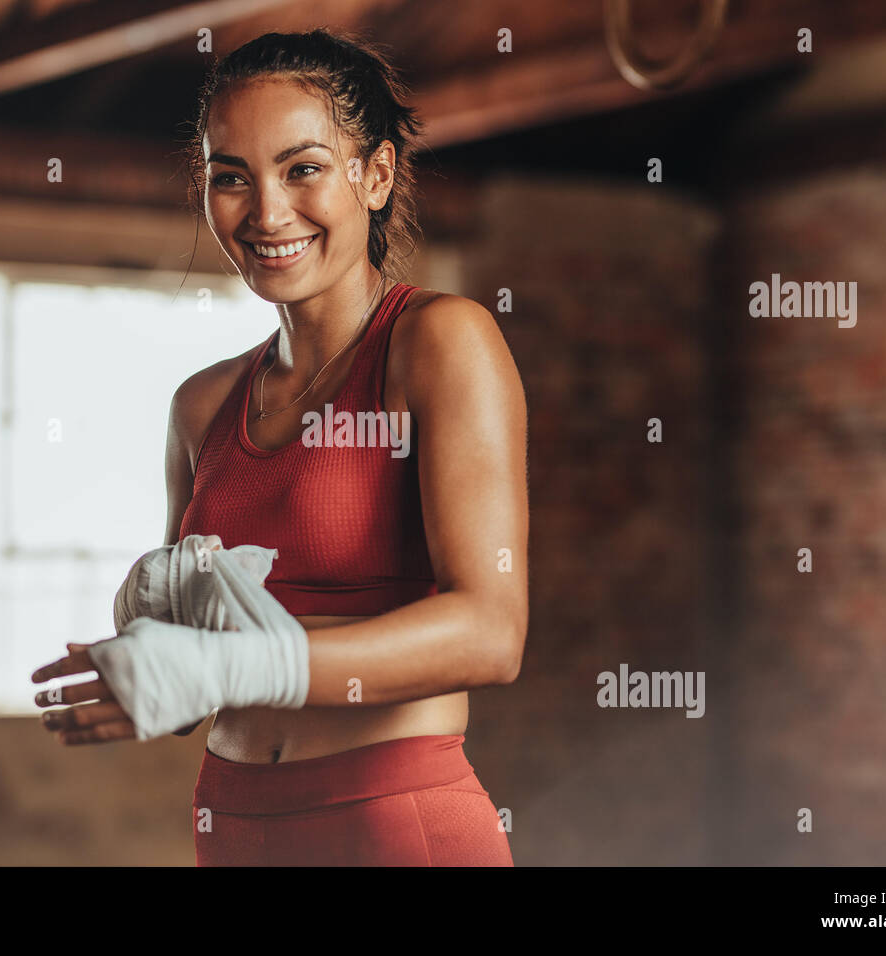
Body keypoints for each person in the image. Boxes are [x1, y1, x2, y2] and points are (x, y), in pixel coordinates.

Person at [32, 29, 528, 866]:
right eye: (231, 177)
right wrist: (153, 640)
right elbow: (197, 692)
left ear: (374, 175)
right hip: (233, 820)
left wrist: (230, 667)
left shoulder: (440, 344)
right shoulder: (202, 405)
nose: (265, 213)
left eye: (303, 168)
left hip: (392, 821)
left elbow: (490, 631)